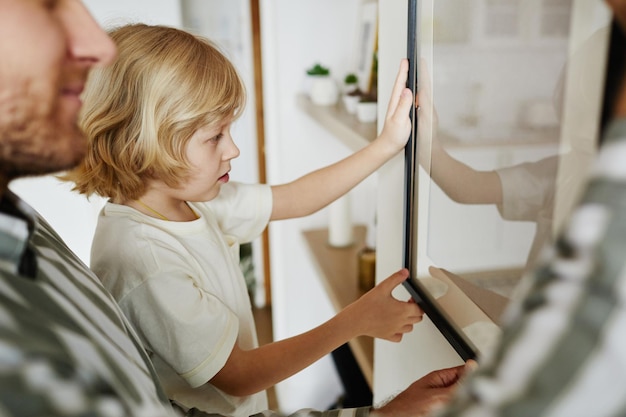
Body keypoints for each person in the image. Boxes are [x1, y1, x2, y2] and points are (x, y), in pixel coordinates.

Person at [0, 1, 467, 416]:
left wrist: (385, 146)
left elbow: (294, 197)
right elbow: (239, 375)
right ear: (144, 145)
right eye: (214, 137)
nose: (234, 150)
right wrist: (355, 321)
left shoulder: (190, 199)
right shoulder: (144, 258)